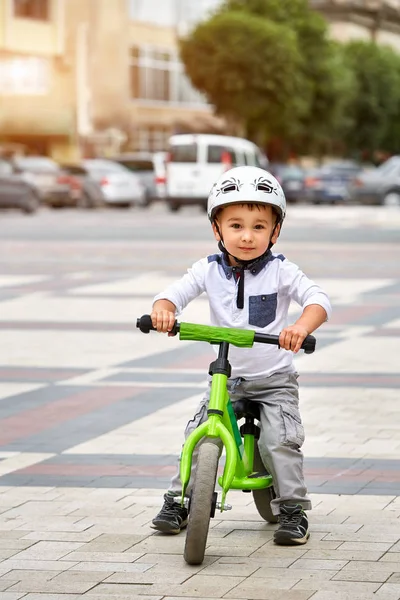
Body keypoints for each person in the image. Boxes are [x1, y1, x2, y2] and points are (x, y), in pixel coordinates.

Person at [149, 165, 331, 545]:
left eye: (259, 226)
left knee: (280, 439)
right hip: (226, 378)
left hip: (273, 380)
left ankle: (293, 510)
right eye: (235, 225)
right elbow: (174, 294)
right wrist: (164, 311)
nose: (247, 236)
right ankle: (178, 501)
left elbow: (318, 300)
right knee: (198, 434)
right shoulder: (208, 269)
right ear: (217, 229)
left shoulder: (282, 272)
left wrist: (300, 327)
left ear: (275, 231)